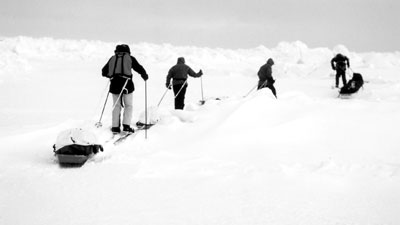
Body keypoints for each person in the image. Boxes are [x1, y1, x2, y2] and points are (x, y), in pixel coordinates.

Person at [102, 44, 148, 134]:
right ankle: (126, 126)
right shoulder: (130, 58)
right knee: (128, 105)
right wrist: (144, 75)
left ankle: (115, 127)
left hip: (114, 84)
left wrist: (112, 75)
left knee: (116, 105)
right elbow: (138, 68)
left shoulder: (112, 58)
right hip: (127, 84)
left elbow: (103, 72)